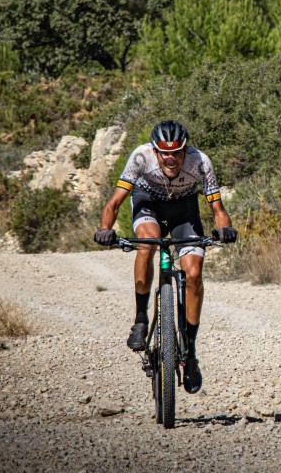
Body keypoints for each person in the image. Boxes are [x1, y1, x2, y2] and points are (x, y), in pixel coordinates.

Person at [94, 119, 237, 394]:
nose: (171, 159)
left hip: (185, 210)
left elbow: (217, 208)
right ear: (155, 151)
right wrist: (105, 230)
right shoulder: (140, 157)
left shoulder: (200, 162)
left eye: (177, 152)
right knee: (147, 244)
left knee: (194, 273)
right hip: (149, 204)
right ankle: (140, 320)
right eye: (164, 153)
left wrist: (224, 229)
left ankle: (190, 354)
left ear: (186, 150)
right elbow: (114, 203)